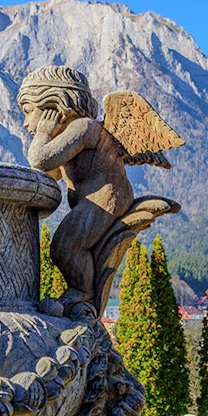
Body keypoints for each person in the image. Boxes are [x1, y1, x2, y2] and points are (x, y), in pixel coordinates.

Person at [18, 66, 134, 308]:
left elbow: (39, 159)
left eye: (29, 111)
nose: (27, 122)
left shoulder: (84, 128)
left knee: (65, 246)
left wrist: (43, 134)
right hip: (93, 200)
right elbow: (47, 173)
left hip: (107, 197)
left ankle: (81, 294)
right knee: (65, 247)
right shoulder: (72, 136)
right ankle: (81, 292)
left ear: (54, 106)